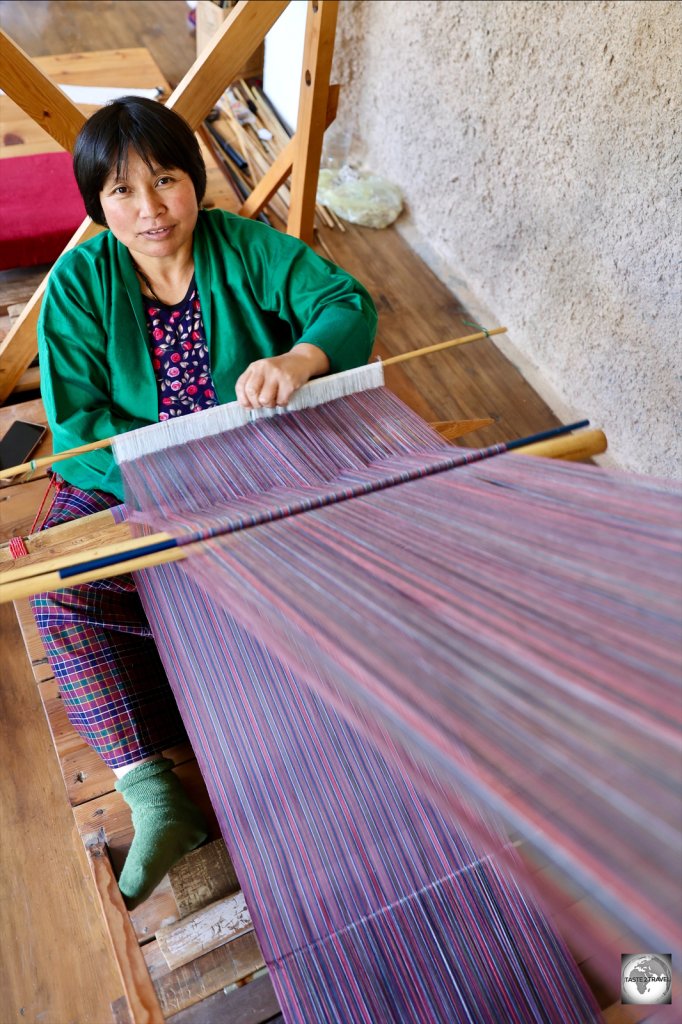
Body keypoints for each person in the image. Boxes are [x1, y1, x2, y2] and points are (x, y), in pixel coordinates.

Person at [30, 96, 377, 908]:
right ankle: (155, 795)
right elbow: (79, 423)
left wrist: (299, 357)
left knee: (304, 576)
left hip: (254, 461)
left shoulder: (244, 247)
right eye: (120, 192)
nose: (149, 210)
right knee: (65, 598)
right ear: (95, 203)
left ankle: (319, 758)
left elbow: (347, 303)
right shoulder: (80, 283)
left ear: (196, 179)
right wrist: (167, 487)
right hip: (129, 476)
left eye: (166, 181)